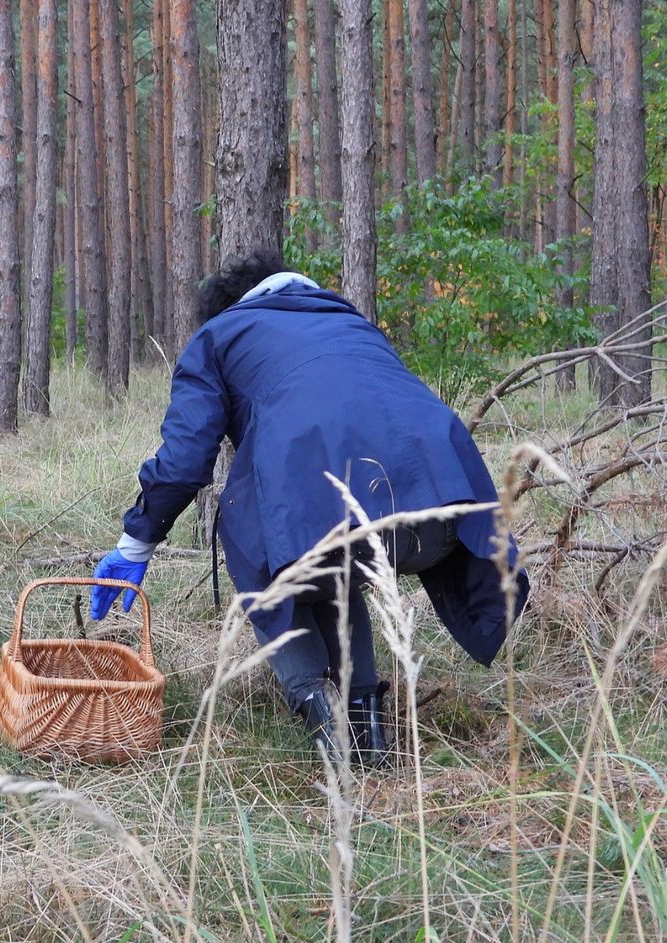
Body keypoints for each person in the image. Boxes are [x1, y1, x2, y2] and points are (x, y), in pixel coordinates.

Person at [90, 251, 530, 765]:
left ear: (229, 307)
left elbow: (187, 459)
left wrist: (137, 541)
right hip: (446, 509)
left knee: (269, 552)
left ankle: (322, 717)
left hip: (346, 513)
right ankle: (370, 739)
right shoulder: (351, 324)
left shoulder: (218, 337)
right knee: (334, 571)